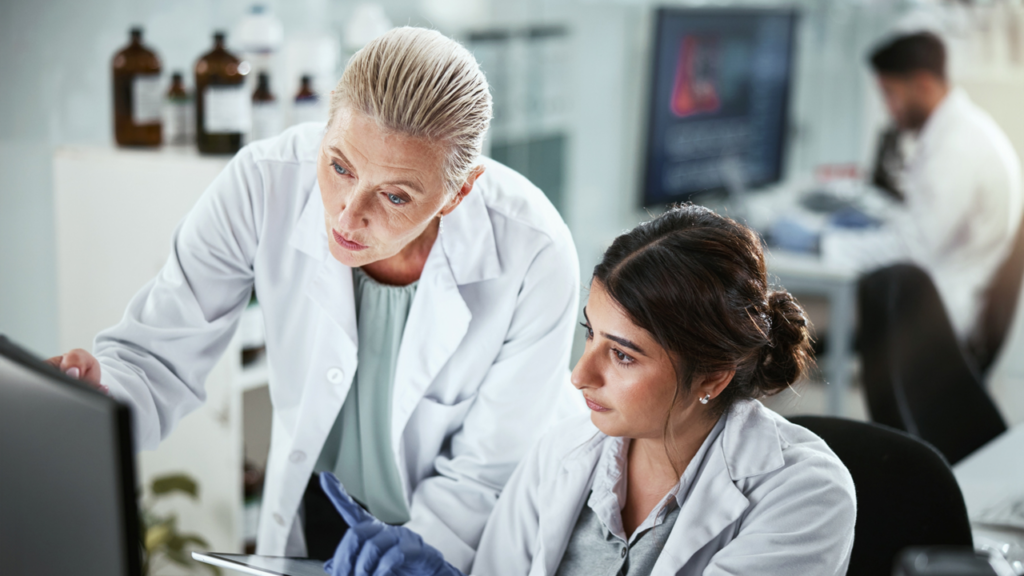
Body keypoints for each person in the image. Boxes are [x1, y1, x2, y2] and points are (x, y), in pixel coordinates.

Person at [46, 27, 580, 569]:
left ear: (458, 192)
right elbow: (157, 355)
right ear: (327, 123)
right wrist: (94, 395)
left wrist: (417, 558)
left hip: (450, 536)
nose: (348, 214)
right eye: (339, 167)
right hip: (316, 510)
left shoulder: (534, 252)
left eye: (395, 196)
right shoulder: (262, 183)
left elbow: (485, 474)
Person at [316, 204, 857, 576]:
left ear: (714, 375)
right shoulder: (561, 456)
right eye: (590, 335)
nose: (580, 375)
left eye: (622, 355)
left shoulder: (805, 494)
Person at [822, 31, 1022, 343]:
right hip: (943, 294)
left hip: (939, 312)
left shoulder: (958, 147)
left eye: (890, 94)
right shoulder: (960, 131)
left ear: (923, 85)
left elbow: (911, 252)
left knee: (796, 310)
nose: (889, 108)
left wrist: (823, 243)